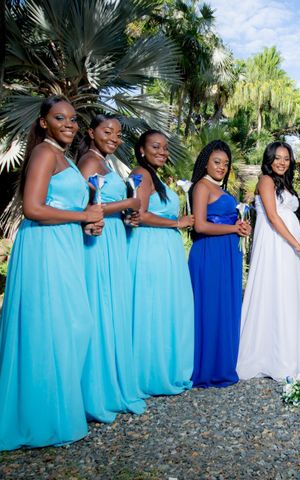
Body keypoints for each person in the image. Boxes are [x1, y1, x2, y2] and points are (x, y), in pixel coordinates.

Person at [0, 97, 103, 455]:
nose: (69, 124)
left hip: (63, 245)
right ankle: (41, 418)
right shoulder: (44, 153)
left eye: (73, 119)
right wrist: (83, 217)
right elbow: (32, 208)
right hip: (44, 248)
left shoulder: (65, 157)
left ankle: (53, 408)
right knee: (53, 326)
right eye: (60, 118)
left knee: (71, 324)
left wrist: (86, 223)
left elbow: (67, 207)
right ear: (43, 122)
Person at [77, 114, 146, 421]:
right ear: (91, 132)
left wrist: (127, 217)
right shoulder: (90, 163)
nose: (115, 139)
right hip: (98, 243)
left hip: (114, 237)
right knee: (100, 309)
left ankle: (111, 382)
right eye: (108, 132)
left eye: (118, 135)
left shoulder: (106, 163)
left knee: (112, 309)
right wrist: (128, 206)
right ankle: (95, 389)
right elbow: (86, 207)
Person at [237, 141, 300, 381]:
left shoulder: (284, 183)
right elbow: (272, 216)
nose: (282, 162)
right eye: (277, 157)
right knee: (274, 291)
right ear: (269, 159)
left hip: (287, 246)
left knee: (288, 294)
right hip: (275, 245)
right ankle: (268, 357)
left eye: (286, 158)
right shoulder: (266, 180)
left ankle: (291, 355)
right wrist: (296, 244)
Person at [127, 130, 195, 396]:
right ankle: (148, 373)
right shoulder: (141, 174)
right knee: (151, 307)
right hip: (150, 247)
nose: (162, 152)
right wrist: (177, 222)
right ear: (142, 149)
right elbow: (139, 214)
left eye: (165, 147)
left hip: (165, 247)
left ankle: (163, 366)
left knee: (164, 307)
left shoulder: (153, 176)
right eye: (156, 146)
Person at [188, 140, 251, 388]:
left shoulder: (222, 190)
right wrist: (232, 227)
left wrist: (243, 227)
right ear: (206, 162)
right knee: (210, 307)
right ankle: (209, 367)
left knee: (225, 306)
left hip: (227, 253)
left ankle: (225, 361)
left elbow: (231, 221)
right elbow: (200, 225)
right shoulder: (201, 187)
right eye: (217, 162)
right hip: (210, 253)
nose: (222, 167)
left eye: (226, 164)